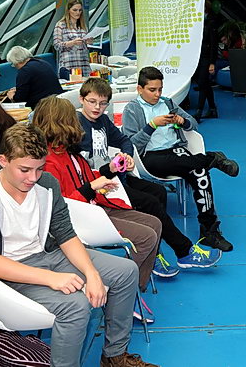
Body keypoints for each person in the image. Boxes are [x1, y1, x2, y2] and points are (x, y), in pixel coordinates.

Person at [0, 124, 158, 367]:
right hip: (11, 270)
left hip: (48, 254)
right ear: (3, 161)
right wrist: (52, 279)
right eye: (24, 170)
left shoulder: (47, 183)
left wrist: (91, 273)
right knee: (76, 306)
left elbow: (65, 234)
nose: (33, 178)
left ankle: (114, 357)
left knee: (126, 272)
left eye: (39, 168)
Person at [77, 78, 221, 278]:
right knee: (151, 201)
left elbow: (124, 141)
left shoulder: (103, 121)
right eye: (92, 102)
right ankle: (183, 251)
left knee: (158, 192)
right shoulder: (76, 126)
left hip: (111, 176)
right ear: (81, 99)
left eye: (102, 104)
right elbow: (82, 166)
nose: (97, 107)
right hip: (100, 185)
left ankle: (155, 254)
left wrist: (127, 155)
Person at [33, 96, 162, 298]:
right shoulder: (48, 163)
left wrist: (110, 169)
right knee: (146, 237)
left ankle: (135, 286)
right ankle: (119, 287)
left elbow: (86, 178)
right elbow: (63, 206)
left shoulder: (69, 152)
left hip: (94, 208)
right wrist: (92, 186)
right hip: (82, 218)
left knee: (155, 224)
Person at [122, 66, 238, 252]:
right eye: (152, 90)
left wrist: (182, 121)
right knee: (193, 165)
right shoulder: (132, 109)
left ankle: (209, 231)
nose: (157, 94)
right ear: (140, 89)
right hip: (149, 156)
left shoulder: (168, 103)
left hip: (176, 151)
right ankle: (211, 158)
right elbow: (130, 143)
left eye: (160, 89)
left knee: (200, 174)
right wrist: (152, 126)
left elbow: (194, 125)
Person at [53, 0, 93, 79]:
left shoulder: (83, 26)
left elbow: (85, 47)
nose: (78, 12)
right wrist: (72, 42)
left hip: (84, 66)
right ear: (68, 10)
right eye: (75, 10)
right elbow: (57, 45)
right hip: (69, 66)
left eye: (80, 10)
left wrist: (88, 42)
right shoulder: (61, 25)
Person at [194, 0, 219, 123]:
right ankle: (213, 109)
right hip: (197, 56)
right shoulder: (196, 22)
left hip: (206, 57)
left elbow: (214, 43)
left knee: (202, 82)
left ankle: (199, 111)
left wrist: (212, 62)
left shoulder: (211, 22)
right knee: (205, 83)